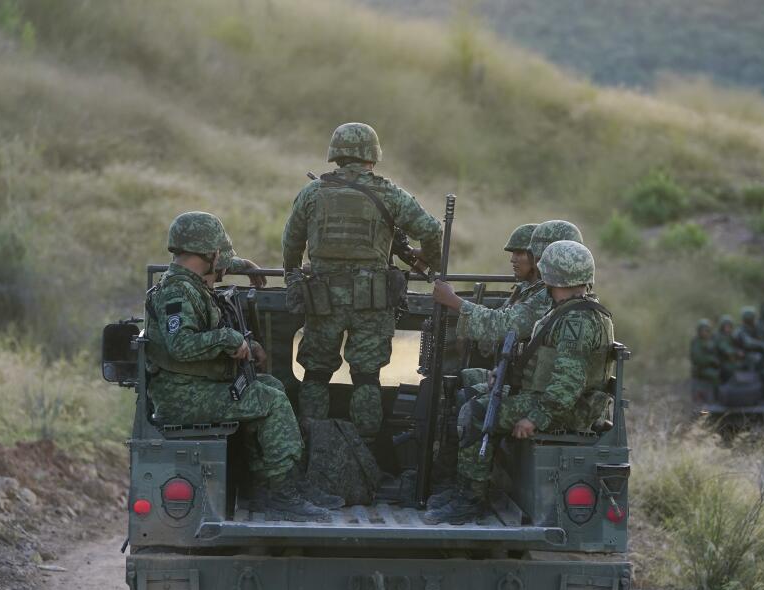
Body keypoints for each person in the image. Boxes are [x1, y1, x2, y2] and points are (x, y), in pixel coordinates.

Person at [144, 211, 338, 521]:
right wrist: (228, 339)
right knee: (271, 401)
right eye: (219, 256)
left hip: (197, 388)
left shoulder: (188, 281)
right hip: (183, 397)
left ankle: (266, 486)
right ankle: (282, 494)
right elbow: (180, 346)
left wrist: (244, 266)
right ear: (209, 253)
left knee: (269, 386)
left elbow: (214, 266)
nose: (221, 267)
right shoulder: (176, 294)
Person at [424, 240, 615, 524]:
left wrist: (535, 418)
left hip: (562, 409)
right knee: (470, 393)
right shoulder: (574, 310)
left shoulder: (576, 321)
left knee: (476, 414)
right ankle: (461, 487)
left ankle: (470, 499)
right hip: (554, 400)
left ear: (551, 276)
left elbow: (567, 384)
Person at [281, 122, 443, 439]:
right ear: (373, 156)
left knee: (315, 373)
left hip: (322, 299)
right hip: (372, 300)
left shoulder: (313, 193)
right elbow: (433, 230)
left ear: (335, 156)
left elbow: (291, 242)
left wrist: (292, 276)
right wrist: (429, 259)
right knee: (367, 376)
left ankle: (312, 443)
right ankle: (367, 449)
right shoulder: (389, 193)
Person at [433, 220, 580, 392]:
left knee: (465, 399)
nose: (513, 259)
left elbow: (505, 325)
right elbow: (497, 330)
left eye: (520, 253)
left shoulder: (548, 295)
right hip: (518, 374)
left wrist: (454, 301)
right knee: (450, 380)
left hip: (529, 384)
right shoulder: (528, 290)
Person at [689, 319, 721, 387]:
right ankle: (717, 394)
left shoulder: (711, 340)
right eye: (703, 330)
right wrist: (711, 360)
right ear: (699, 331)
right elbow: (698, 359)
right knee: (715, 375)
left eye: (707, 330)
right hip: (700, 369)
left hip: (711, 366)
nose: (705, 332)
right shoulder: (696, 342)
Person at [714, 314, 742, 380]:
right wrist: (737, 352)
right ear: (722, 326)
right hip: (720, 360)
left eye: (729, 326)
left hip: (729, 360)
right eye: (726, 326)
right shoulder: (718, 336)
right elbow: (725, 349)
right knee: (730, 368)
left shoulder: (731, 336)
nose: (727, 328)